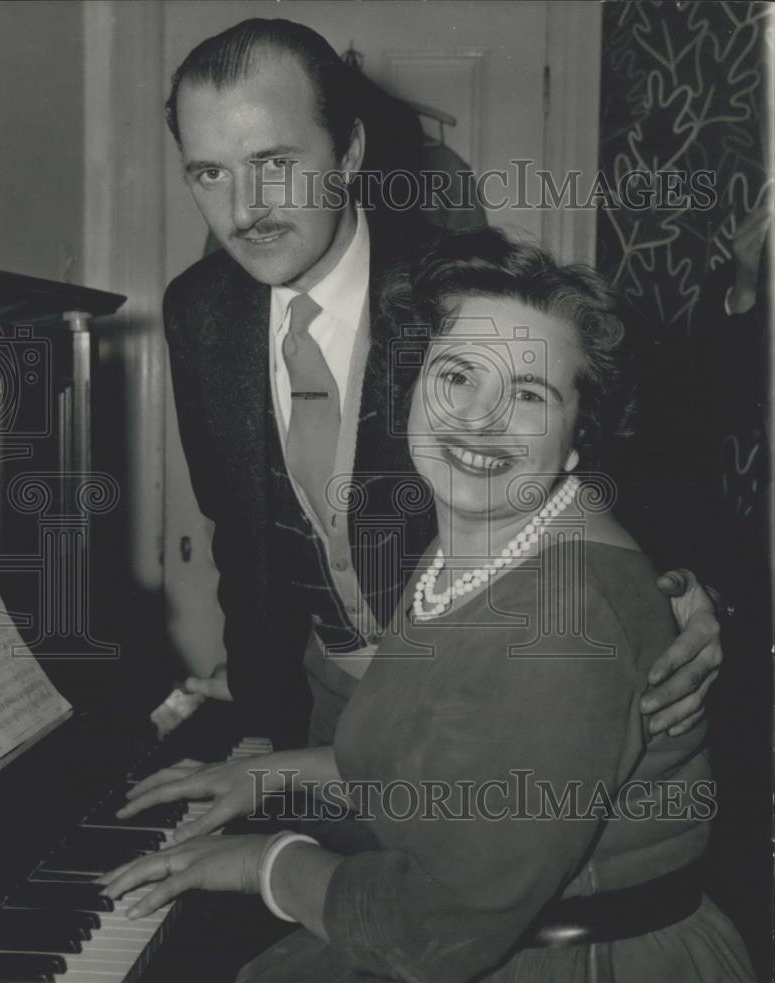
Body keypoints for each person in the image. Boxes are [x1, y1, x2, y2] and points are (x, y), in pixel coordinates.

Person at [103, 230, 754, 983]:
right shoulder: (469, 545)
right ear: (412, 385)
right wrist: (266, 777)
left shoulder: (563, 618)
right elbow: (436, 772)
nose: (477, 419)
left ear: (578, 436)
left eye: (530, 394)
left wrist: (259, 862)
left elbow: (436, 930)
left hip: (573, 970)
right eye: (457, 376)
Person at [162, 16, 720, 752]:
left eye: (274, 163)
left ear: (349, 151)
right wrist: (265, 721)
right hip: (320, 698)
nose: (243, 211)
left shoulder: (461, 289)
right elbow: (239, 532)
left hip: (485, 698)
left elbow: (612, 461)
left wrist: (697, 590)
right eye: (210, 171)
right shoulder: (197, 309)